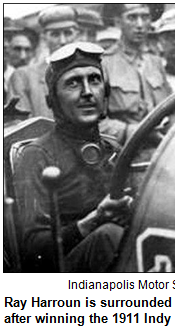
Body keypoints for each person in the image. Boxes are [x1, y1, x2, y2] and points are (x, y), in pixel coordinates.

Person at [13, 42, 132, 273]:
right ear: (54, 100)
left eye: (94, 80)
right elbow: (31, 251)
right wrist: (95, 220)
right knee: (111, 234)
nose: (87, 92)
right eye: (73, 83)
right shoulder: (36, 156)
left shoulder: (114, 149)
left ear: (105, 92)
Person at [102, 4, 171, 125]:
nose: (140, 25)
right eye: (132, 17)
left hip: (163, 140)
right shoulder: (105, 63)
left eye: (145, 17)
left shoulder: (155, 61)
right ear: (118, 22)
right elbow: (98, 121)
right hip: (126, 142)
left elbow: (173, 107)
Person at [8, 5, 80, 119]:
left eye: (68, 33)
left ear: (77, 34)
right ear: (44, 37)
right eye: (55, 34)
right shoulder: (24, 77)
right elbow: (20, 127)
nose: (63, 41)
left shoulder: (92, 72)